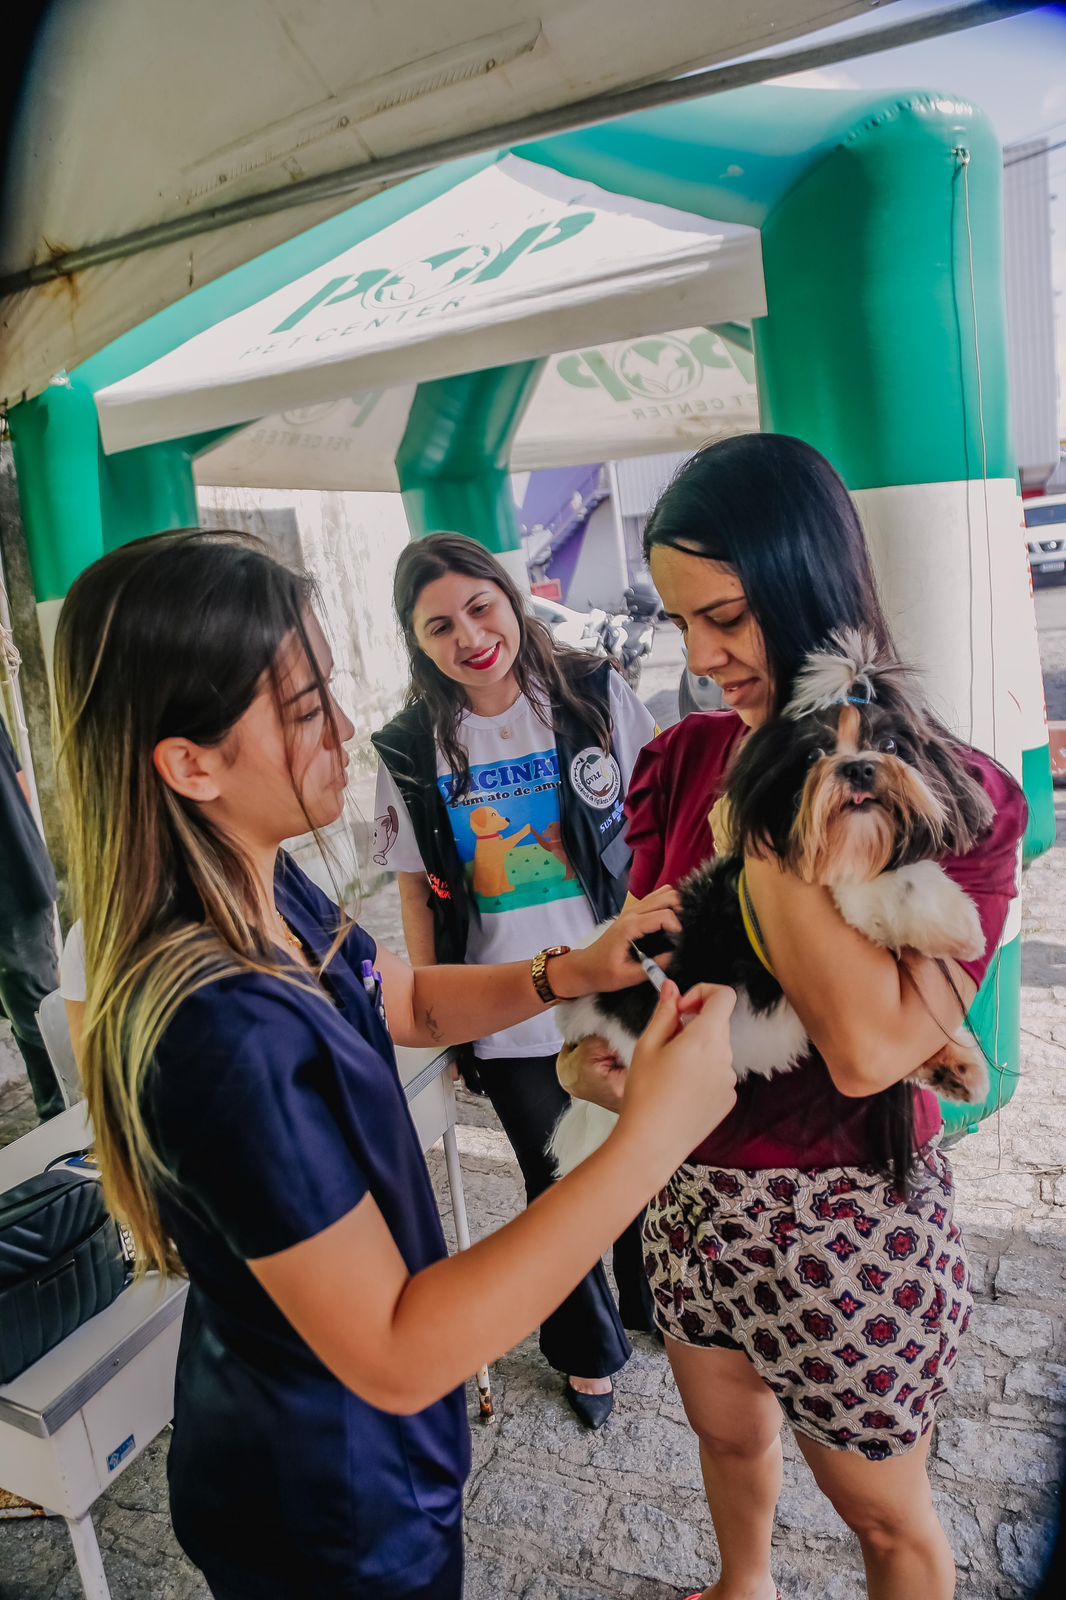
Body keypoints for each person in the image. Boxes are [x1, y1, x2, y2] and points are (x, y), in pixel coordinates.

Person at [53, 527, 738, 1600]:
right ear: (190, 765)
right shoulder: (218, 1028)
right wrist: (652, 1134)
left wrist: (568, 969)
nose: (337, 724)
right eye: (298, 708)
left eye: (325, 685)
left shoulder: (263, 885)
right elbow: (399, 1346)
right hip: (328, 1509)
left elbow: (406, 997)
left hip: (364, 1455)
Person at [560, 433, 1028, 1600]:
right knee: (725, 1437)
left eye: (727, 615)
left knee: (883, 1515)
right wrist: (602, 1063)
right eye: (680, 625)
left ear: (808, 582)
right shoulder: (676, 757)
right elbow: (647, 969)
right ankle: (744, 1583)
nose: (705, 657)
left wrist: (768, 798)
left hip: (848, 1215)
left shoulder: (955, 791)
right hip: (688, 1195)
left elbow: (872, 1051)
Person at [372, 533, 658, 1428]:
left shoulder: (595, 693)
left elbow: (657, 818)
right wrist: (443, 1016)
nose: (469, 636)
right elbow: (415, 893)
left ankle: (657, 1303)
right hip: (507, 1009)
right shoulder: (410, 748)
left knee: (645, 1155)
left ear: (511, 598)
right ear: (417, 643)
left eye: (480, 607)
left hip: (620, 984)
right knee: (558, 1185)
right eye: (439, 626)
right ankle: (586, 1352)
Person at [0, 702, 64, 1121]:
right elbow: (20, 782)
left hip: (13, 887)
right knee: (26, 1019)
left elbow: (19, 784)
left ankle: (72, 1125)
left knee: (40, 1022)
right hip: (16, 878)